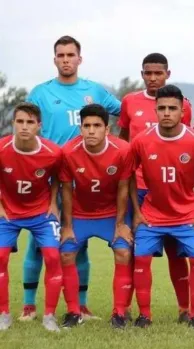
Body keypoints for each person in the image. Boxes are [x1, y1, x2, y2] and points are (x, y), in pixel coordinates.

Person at [23, 35, 121, 321]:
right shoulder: (40, 93)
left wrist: (121, 146)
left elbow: (125, 114)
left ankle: (81, 305)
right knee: (39, 241)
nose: (66, 59)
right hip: (50, 177)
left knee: (78, 243)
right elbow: (27, 124)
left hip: (86, 178)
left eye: (70, 55)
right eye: (60, 55)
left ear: (80, 58)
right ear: (54, 59)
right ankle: (29, 306)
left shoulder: (94, 91)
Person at [131, 85, 194, 329]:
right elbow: (126, 177)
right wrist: (136, 212)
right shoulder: (142, 141)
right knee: (141, 260)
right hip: (152, 215)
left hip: (188, 215)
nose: (167, 113)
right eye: (162, 108)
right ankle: (144, 315)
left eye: (172, 108)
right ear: (155, 110)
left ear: (182, 111)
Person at [118, 53, 192, 322]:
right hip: (137, 187)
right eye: (148, 73)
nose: (153, 78)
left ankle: (185, 308)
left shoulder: (183, 103)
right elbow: (124, 140)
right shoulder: (129, 102)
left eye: (158, 73)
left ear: (167, 74)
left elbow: (186, 144)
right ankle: (125, 310)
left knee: (175, 250)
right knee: (134, 251)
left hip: (170, 188)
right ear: (142, 74)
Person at [59, 104, 133, 329]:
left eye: (96, 126)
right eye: (86, 126)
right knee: (66, 253)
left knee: (123, 252)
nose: (91, 130)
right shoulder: (68, 152)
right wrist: (68, 226)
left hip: (111, 214)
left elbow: (123, 189)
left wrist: (120, 224)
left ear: (107, 129)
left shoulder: (122, 150)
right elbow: (66, 190)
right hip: (80, 214)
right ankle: (73, 312)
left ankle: (119, 313)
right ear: (80, 128)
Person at [0, 103, 63, 332]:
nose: (24, 127)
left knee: (53, 257)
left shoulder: (53, 152)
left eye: (30, 122)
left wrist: (53, 204)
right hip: (9, 212)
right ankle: (4, 314)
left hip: (41, 213)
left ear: (39, 126)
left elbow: (58, 178)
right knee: (0, 257)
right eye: (20, 121)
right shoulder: (2, 148)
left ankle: (49, 317)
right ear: (13, 123)